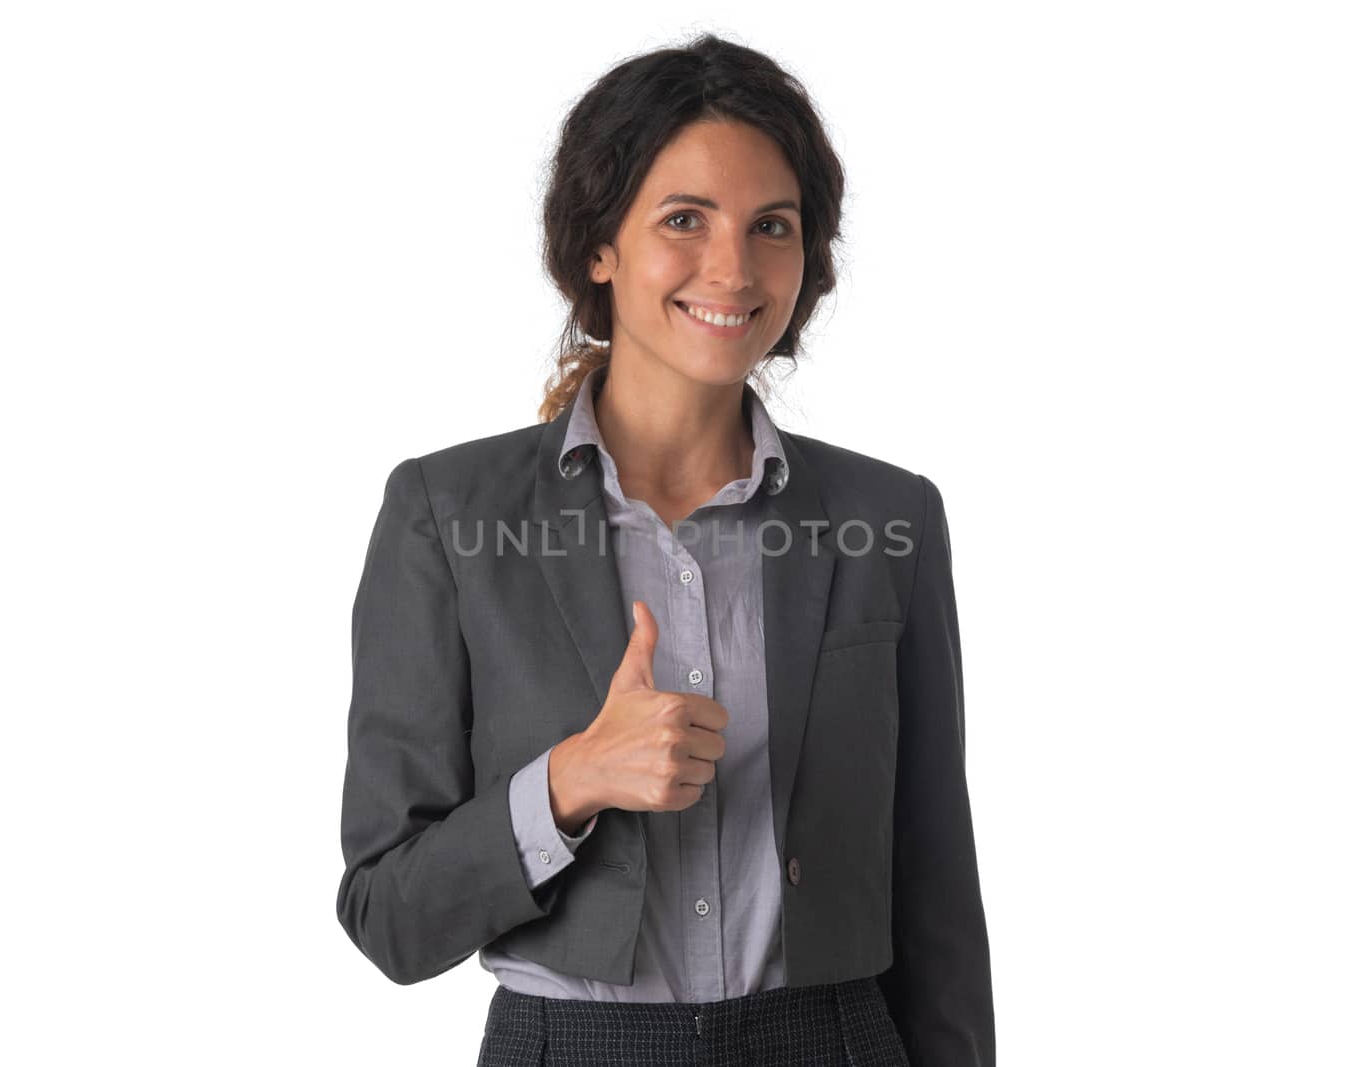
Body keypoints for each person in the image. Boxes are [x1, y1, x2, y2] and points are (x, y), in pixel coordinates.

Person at [335, 32, 995, 1066]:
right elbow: (389, 913)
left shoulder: (889, 518)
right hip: (569, 1044)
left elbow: (937, 887)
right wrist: (566, 781)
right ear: (599, 245)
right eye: (684, 219)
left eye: (769, 226)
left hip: (832, 1041)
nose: (732, 267)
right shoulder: (444, 513)